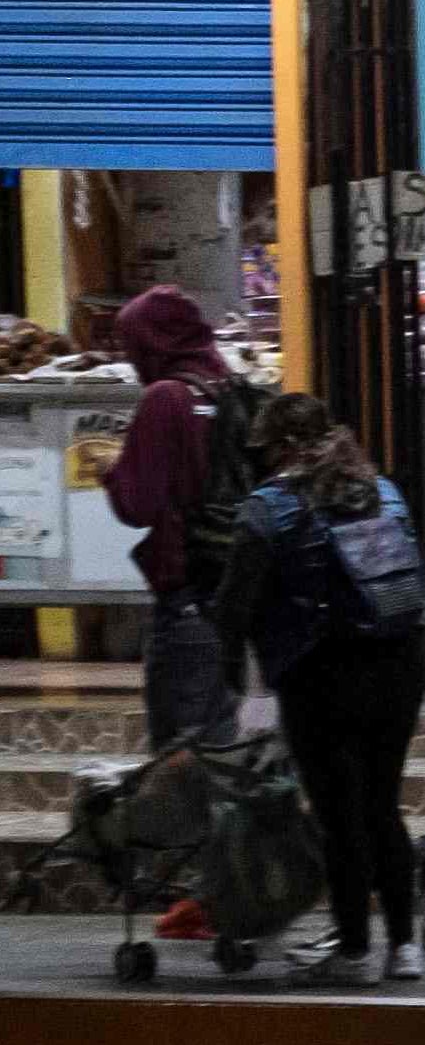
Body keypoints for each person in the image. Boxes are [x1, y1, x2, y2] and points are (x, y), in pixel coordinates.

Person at [208, 391, 425, 985]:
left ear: (279, 448)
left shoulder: (268, 508)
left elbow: (234, 607)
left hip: (319, 673)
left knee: (338, 815)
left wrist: (237, 667)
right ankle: (405, 946)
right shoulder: (384, 491)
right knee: (382, 804)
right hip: (401, 664)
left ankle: (355, 950)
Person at [96, 283, 245, 760]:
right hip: (230, 597)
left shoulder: (165, 398)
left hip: (185, 603)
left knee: (181, 764)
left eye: (132, 345)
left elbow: (137, 505)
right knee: (218, 750)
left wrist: (111, 472)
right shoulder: (227, 387)